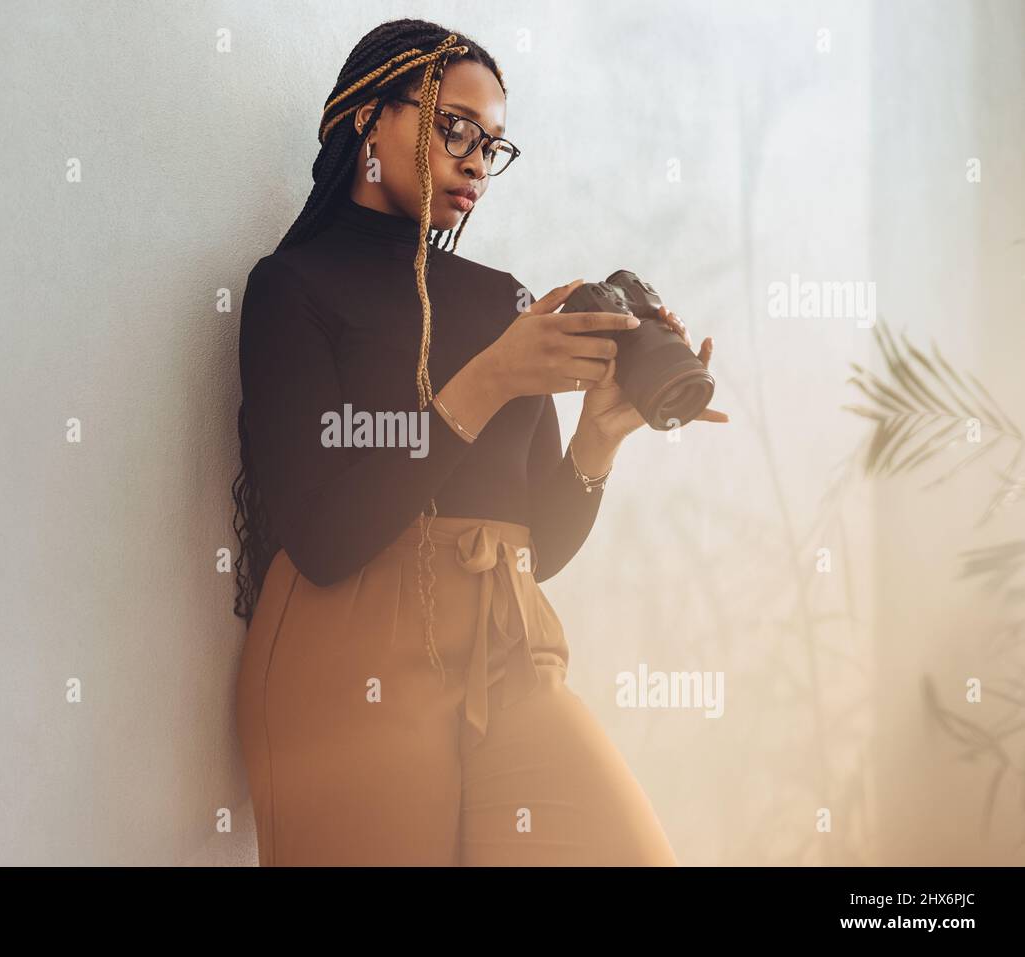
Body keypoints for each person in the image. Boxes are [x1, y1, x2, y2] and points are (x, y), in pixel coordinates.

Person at [230, 17, 728, 866]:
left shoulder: (504, 301)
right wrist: (491, 380)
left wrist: (599, 439)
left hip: (506, 654)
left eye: (492, 143)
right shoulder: (292, 288)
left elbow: (535, 542)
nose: (473, 159)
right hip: (347, 659)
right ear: (366, 119)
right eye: (452, 126)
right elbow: (323, 538)